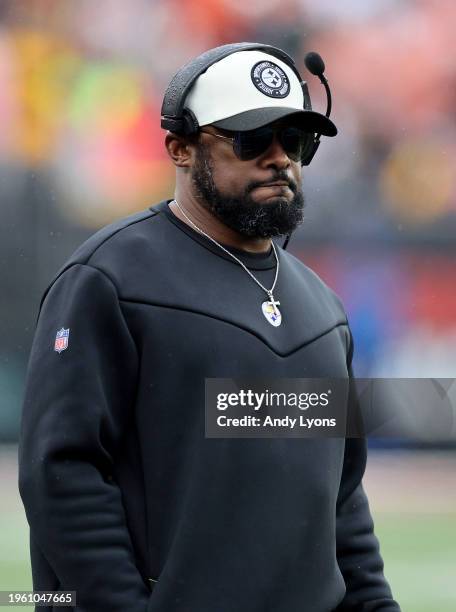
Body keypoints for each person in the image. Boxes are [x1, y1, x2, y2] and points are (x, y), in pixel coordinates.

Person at [19, 43, 401, 611]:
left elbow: (340, 502)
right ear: (180, 148)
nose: (279, 159)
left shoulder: (322, 309)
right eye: (251, 140)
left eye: (294, 142)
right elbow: (63, 472)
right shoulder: (110, 278)